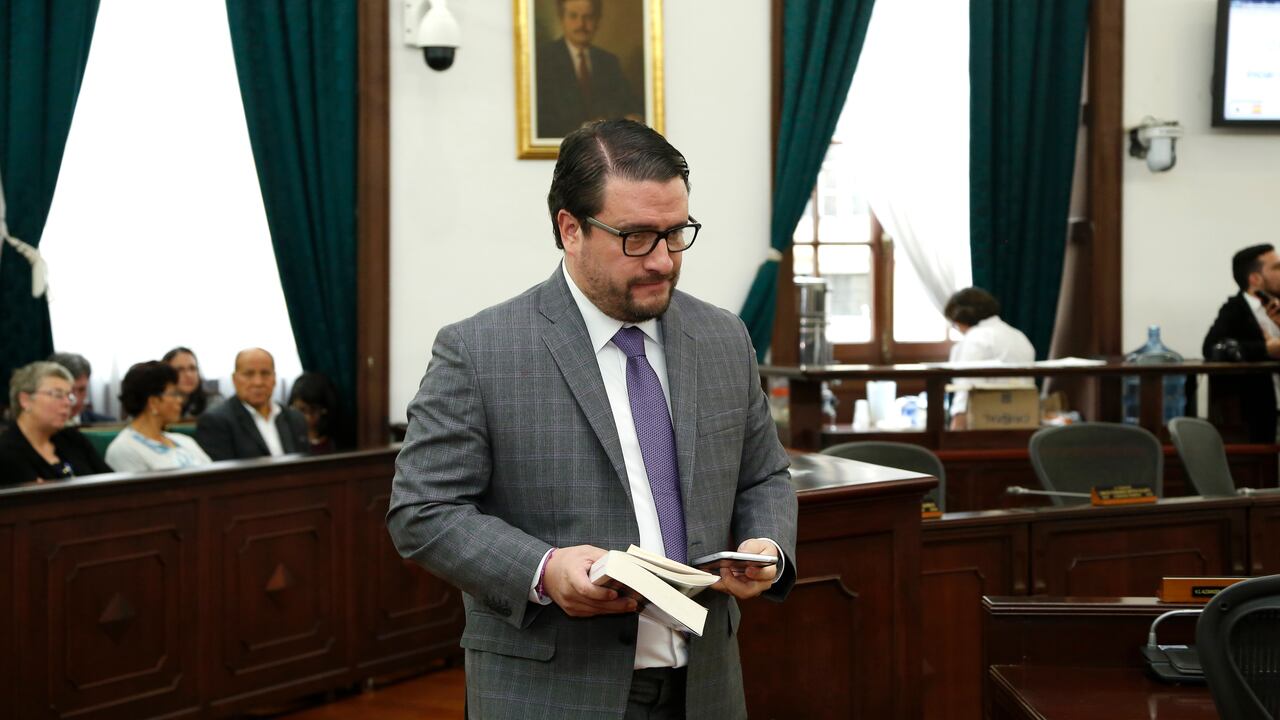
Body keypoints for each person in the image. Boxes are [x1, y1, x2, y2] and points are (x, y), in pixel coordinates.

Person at [388, 119, 797, 719]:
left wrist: (766, 545)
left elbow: (765, 476)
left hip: (706, 690)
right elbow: (421, 511)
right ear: (570, 229)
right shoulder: (480, 350)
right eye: (636, 237)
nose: (663, 260)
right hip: (552, 691)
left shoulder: (722, 336)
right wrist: (544, 568)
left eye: (676, 233)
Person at [1202, 244, 1280, 443]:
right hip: (1259, 412)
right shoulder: (1234, 310)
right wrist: (1265, 349)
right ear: (1255, 278)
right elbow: (1211, 348)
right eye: (1276, 267)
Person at [536, 0, 643, 138]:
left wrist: (633, 117)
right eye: (574, 16)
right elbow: (541, 121)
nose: (581, 24)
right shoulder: (543, 59)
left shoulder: (609, 62)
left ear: (597, 21)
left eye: (589, 17)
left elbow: (629, 105)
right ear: (562, 19)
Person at [0, 361, 111, 483]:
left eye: (69, 396)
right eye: (57, 395)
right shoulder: (6, 453)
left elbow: (114, 483)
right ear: (25, 400)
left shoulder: (73, 439)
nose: (67, 403)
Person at [943, 287, 1036, 430]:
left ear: (960, 316)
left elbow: (965, 390)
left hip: (985, 425)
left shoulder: (975, 338)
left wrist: (954, 432)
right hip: (1024, 421)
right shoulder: (1019, 336)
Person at [194, 348, 308, 461]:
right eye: (249, 374)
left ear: (274, 378)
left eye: (265, 373)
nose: (258, 382)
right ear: (234, 379)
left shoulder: (294, 417)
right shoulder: (215, 421)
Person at [105, 361, 212, 472]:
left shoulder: (185, 441)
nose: (180, 400)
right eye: (174, 394)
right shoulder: (123, 450)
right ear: (153, 402)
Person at [47, 351, 115, 425]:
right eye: (69, 392)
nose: (76, 400)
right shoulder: (39, 432)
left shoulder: (107, 425)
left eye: (81, 390)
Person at [163, 346, 222, 418]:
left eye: (192, 368)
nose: (188, 375)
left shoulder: (215, 404)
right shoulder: (157, 407)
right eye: (180, 370)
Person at [288, 371, 339, 454]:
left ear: (324, 410)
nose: (307, 417)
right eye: (301, 410)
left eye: (313, 410)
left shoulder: (336, 442)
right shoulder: (286, 439)